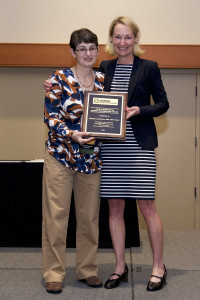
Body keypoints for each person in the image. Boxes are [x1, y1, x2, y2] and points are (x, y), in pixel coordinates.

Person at [44, 16, 169, 292]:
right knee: (114, 208)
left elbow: (163, 103)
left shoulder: (147, 67)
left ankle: (158, 266)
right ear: (111, 41)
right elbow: (87, 99)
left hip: (137, 147)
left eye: (127, 37)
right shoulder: (105, 69)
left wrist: (139, 110)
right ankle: (119, 267)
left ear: (136, 39)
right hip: (109, 149)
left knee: (147, 207)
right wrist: (52, 87)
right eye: (117, 37)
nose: (122, 42)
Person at [42, 28, 104, 294]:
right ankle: (54, 273)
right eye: (82, 49)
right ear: (72, 52)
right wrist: (72, 134)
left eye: (92, 48)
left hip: (91, 158)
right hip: (60, 155)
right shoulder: (58, 79)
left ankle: (87, 269)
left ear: (97, 51)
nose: (88, 53)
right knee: (56, 217)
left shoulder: (104, 80)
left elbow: (112, 116)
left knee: (89, 217)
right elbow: (51, 117)